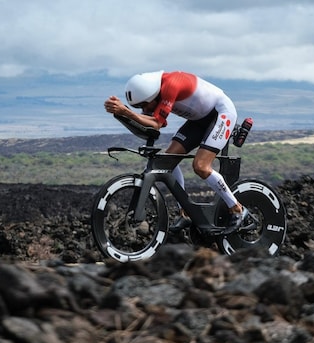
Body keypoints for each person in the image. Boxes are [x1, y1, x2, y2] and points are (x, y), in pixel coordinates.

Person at [104, 70, 248, 234]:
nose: (143, 110)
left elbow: (156, 124)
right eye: (138, 107)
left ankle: (237, 209)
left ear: (152, 96)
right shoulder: (154, 93)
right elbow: (154, 122)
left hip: (221, 113)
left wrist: (126, 111)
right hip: (199, 121)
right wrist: (121, 113)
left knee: (201, 166)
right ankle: (185, 214)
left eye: (143, 105)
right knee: (167, 162)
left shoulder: (171, 85)